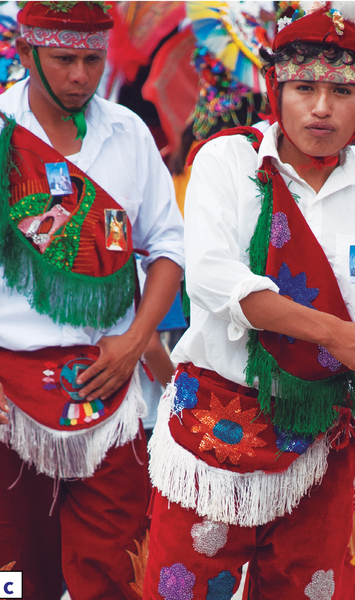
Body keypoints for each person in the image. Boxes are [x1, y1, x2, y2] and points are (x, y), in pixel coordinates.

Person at [143, 6, 355, 596]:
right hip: (214, 433)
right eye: (305, 88)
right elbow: (215, 282)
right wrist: (334, 334)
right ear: (277, 90)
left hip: (322, 440)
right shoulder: (227, 161)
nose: (322, 107)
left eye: (342, 90)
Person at [0, 3, 184, 598]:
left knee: (117, 568)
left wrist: (135, 342)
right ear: (28, 52)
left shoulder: (128, 133)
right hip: (8, 391)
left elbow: (168, 249)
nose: (81, 75)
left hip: (111, 385)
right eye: (64, 59)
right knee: (11, 573)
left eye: (92, 58)